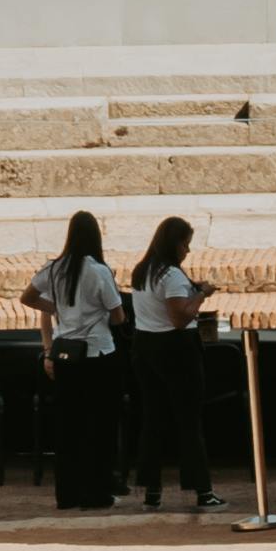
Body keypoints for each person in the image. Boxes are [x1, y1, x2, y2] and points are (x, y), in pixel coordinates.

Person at [25, 209, 124, 512]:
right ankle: (97, 493)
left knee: (68, 428)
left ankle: (67, 494)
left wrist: (58, 309)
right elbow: (118, 315)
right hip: (97, 354)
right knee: (98, 426)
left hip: (65, 354)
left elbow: (27, 297)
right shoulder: (98, 271)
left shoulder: (54, 268)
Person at [122, 215, 211, 513]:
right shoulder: (171, 275)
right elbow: (179, 318)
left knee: (153, 419)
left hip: (145, 346)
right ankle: (201, 490)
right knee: (188, 420)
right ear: (174, 243)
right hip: (176, 350)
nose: (187, 250)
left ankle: (151, 490)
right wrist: (201, 294)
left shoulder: (143, 270)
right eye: (185, 244)